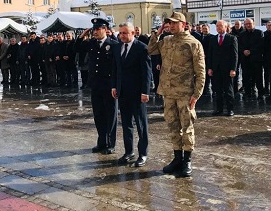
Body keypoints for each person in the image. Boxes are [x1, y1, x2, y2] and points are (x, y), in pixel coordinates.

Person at [148, 12, 206, 177]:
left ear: (183, 24)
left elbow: (200, 72)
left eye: (174, 23)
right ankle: (177, 158)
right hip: (168, 93)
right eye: (169, 23)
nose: (170, 26)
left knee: (187, 127)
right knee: (173, 126)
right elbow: (151, 49)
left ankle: (187, 160)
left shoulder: (193, 44)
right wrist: (157, 33)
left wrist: (197, 94)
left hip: (185, 94)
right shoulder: (166, 41)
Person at [75, 18, 118, 155]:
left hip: (109, 86)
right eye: (94, 29)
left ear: (105, 30)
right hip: (96, 85)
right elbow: (76, 47)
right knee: (98, 115)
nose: (96, 32)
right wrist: (83, 34)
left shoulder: (113, 44)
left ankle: (111, 144)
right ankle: (101, 142)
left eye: (98, 29)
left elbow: (117, 67)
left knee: (110, 115)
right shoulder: (92, 43)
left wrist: (115, 85)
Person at [111, 22, 152, 167]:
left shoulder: (141, 48)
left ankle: (143, 154)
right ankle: (129, 152)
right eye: (120, 33)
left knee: (141, 124)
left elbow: (147, 72)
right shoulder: (117, 47)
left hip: (137, 93)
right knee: (127, 124)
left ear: (133, 33)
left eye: (125, 33)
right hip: (122, 92)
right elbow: (116, 68)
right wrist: (114, 86)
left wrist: (145, 92)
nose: (122, 35)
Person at [207, 20, 238, 116]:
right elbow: (210, 55)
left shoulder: (231, 38)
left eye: (220, 26)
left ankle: (230, 109)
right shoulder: (213, 39)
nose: (218, 28)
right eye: (217, 26)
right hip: (216, 69)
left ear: (225, 27)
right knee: (217, 90)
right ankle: (219, 109)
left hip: (227, 69)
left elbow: (235, 55)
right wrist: (210, 68)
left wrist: (233, 69)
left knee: (228, 90)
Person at [239, 18, 265, 99]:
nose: (248, 25)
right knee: (246, 77)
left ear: (253, 23)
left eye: (249, 23)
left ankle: (260, 93)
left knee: (258, 77)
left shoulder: (259, 33)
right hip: (245, 60)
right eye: (246, 24)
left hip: (256, 59)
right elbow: (239, 45)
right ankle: (247, 93)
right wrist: (244, 51)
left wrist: (251, 51)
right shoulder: (242, 34)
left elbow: (261, 45)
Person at [199, 24, 214, 96]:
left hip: (209, 58)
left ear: (209, 29)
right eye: (203, 29)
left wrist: (206, 55)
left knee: (210, 74)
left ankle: (211, 90)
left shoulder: (212, 37)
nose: (204, 30)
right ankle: (204, 90)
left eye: (206, 29)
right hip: (201, 59)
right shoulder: (199, 37)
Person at [230, 20, 245, 94]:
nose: (236, 26)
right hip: (234, 54)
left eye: (238, 24)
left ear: (241, 25)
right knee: (236, 71)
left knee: (244, 71)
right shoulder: (231, 32)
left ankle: (244, 86)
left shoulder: (244, 32)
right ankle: (235, 87)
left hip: (243, 53)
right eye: (235, 24)